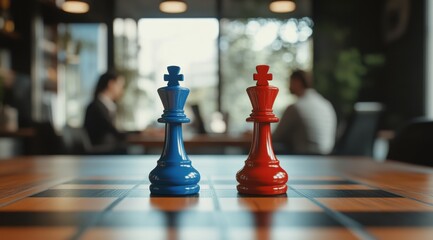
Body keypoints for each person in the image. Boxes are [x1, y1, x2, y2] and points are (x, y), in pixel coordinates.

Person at [273, 70, 337, 155]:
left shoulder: (295, 107)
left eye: (290, 81)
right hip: (326, 158)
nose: (288, 85)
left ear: (297, 82)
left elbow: (275, 137)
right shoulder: (326, 104)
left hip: (304, 158)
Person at [83, 71, 127, 154]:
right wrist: (137, 134)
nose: (122, 89)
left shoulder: (105, 106)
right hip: (104, 151)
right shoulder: (97, 107)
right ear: (111, 84)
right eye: (120, 85)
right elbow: (113, 131)